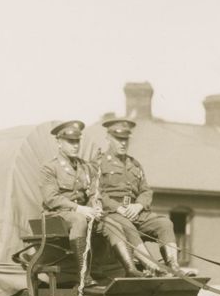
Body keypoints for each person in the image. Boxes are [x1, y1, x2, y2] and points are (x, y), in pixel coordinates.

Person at [39, 119, 145, 282]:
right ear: (59, 142)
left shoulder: (86, 167)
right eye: (70, 141)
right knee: (79, 220)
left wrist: (95, 206)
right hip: (57, 215)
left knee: (112, 224)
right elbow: (51, 198)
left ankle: (130, 268)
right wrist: (79, 209)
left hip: (84, 213)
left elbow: (94, 192)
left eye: (77, 141)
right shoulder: (50, 168)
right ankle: (84, 274)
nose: (75, 145)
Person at [94, 118, 186, 276]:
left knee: (164, 223)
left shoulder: (134, 164)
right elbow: (97, 193)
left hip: (135, 212)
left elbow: (146, 191)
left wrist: (138, 206)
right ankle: (153, 266)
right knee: (126, 225)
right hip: (112, 214)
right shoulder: (99, 163)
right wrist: (118, 208)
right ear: (108, 138)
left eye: (126, 139)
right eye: (118, 139)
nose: (123, 143)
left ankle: (174, 266)